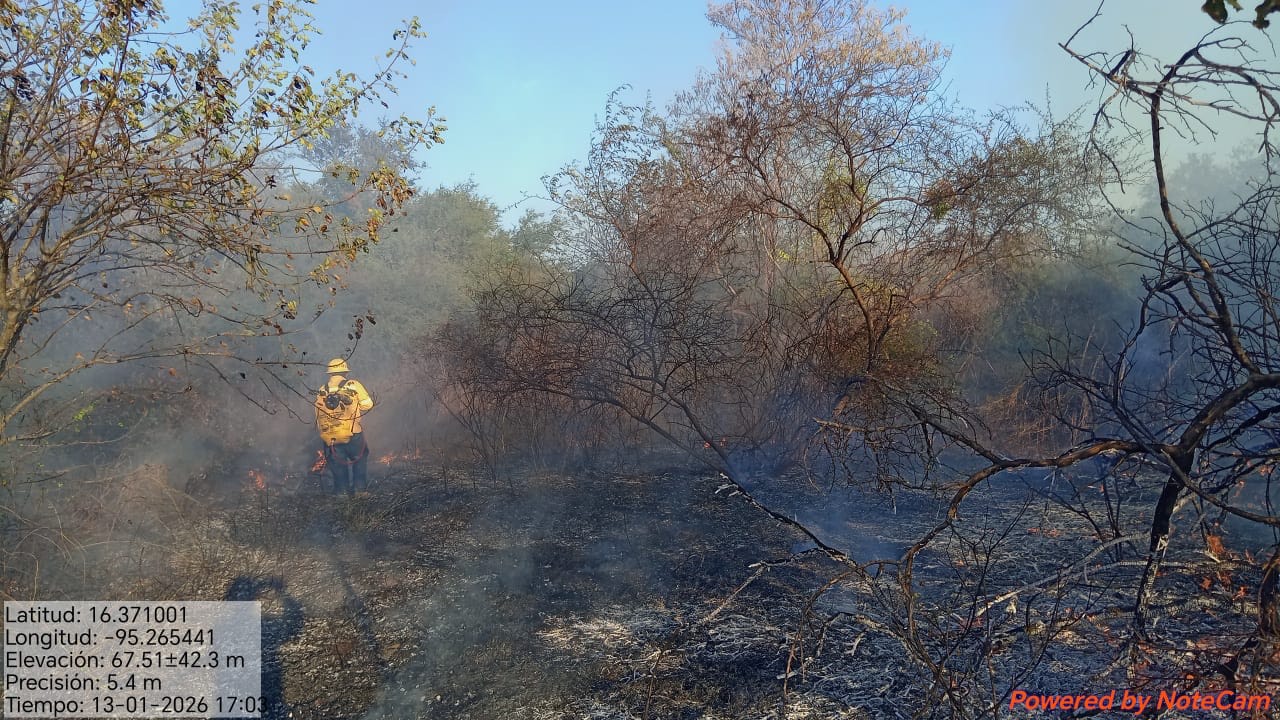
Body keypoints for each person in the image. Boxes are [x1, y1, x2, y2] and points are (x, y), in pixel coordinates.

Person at [314, 358, 374, 497]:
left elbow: (318, 415)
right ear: (345, 372)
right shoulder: (353, 385)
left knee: (337, 465)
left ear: (330, 374)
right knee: (359, 459)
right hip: (353, 433)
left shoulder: (322, 390)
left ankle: (342, 493)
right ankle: (360, 491)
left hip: (331, 436)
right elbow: (368, 404)